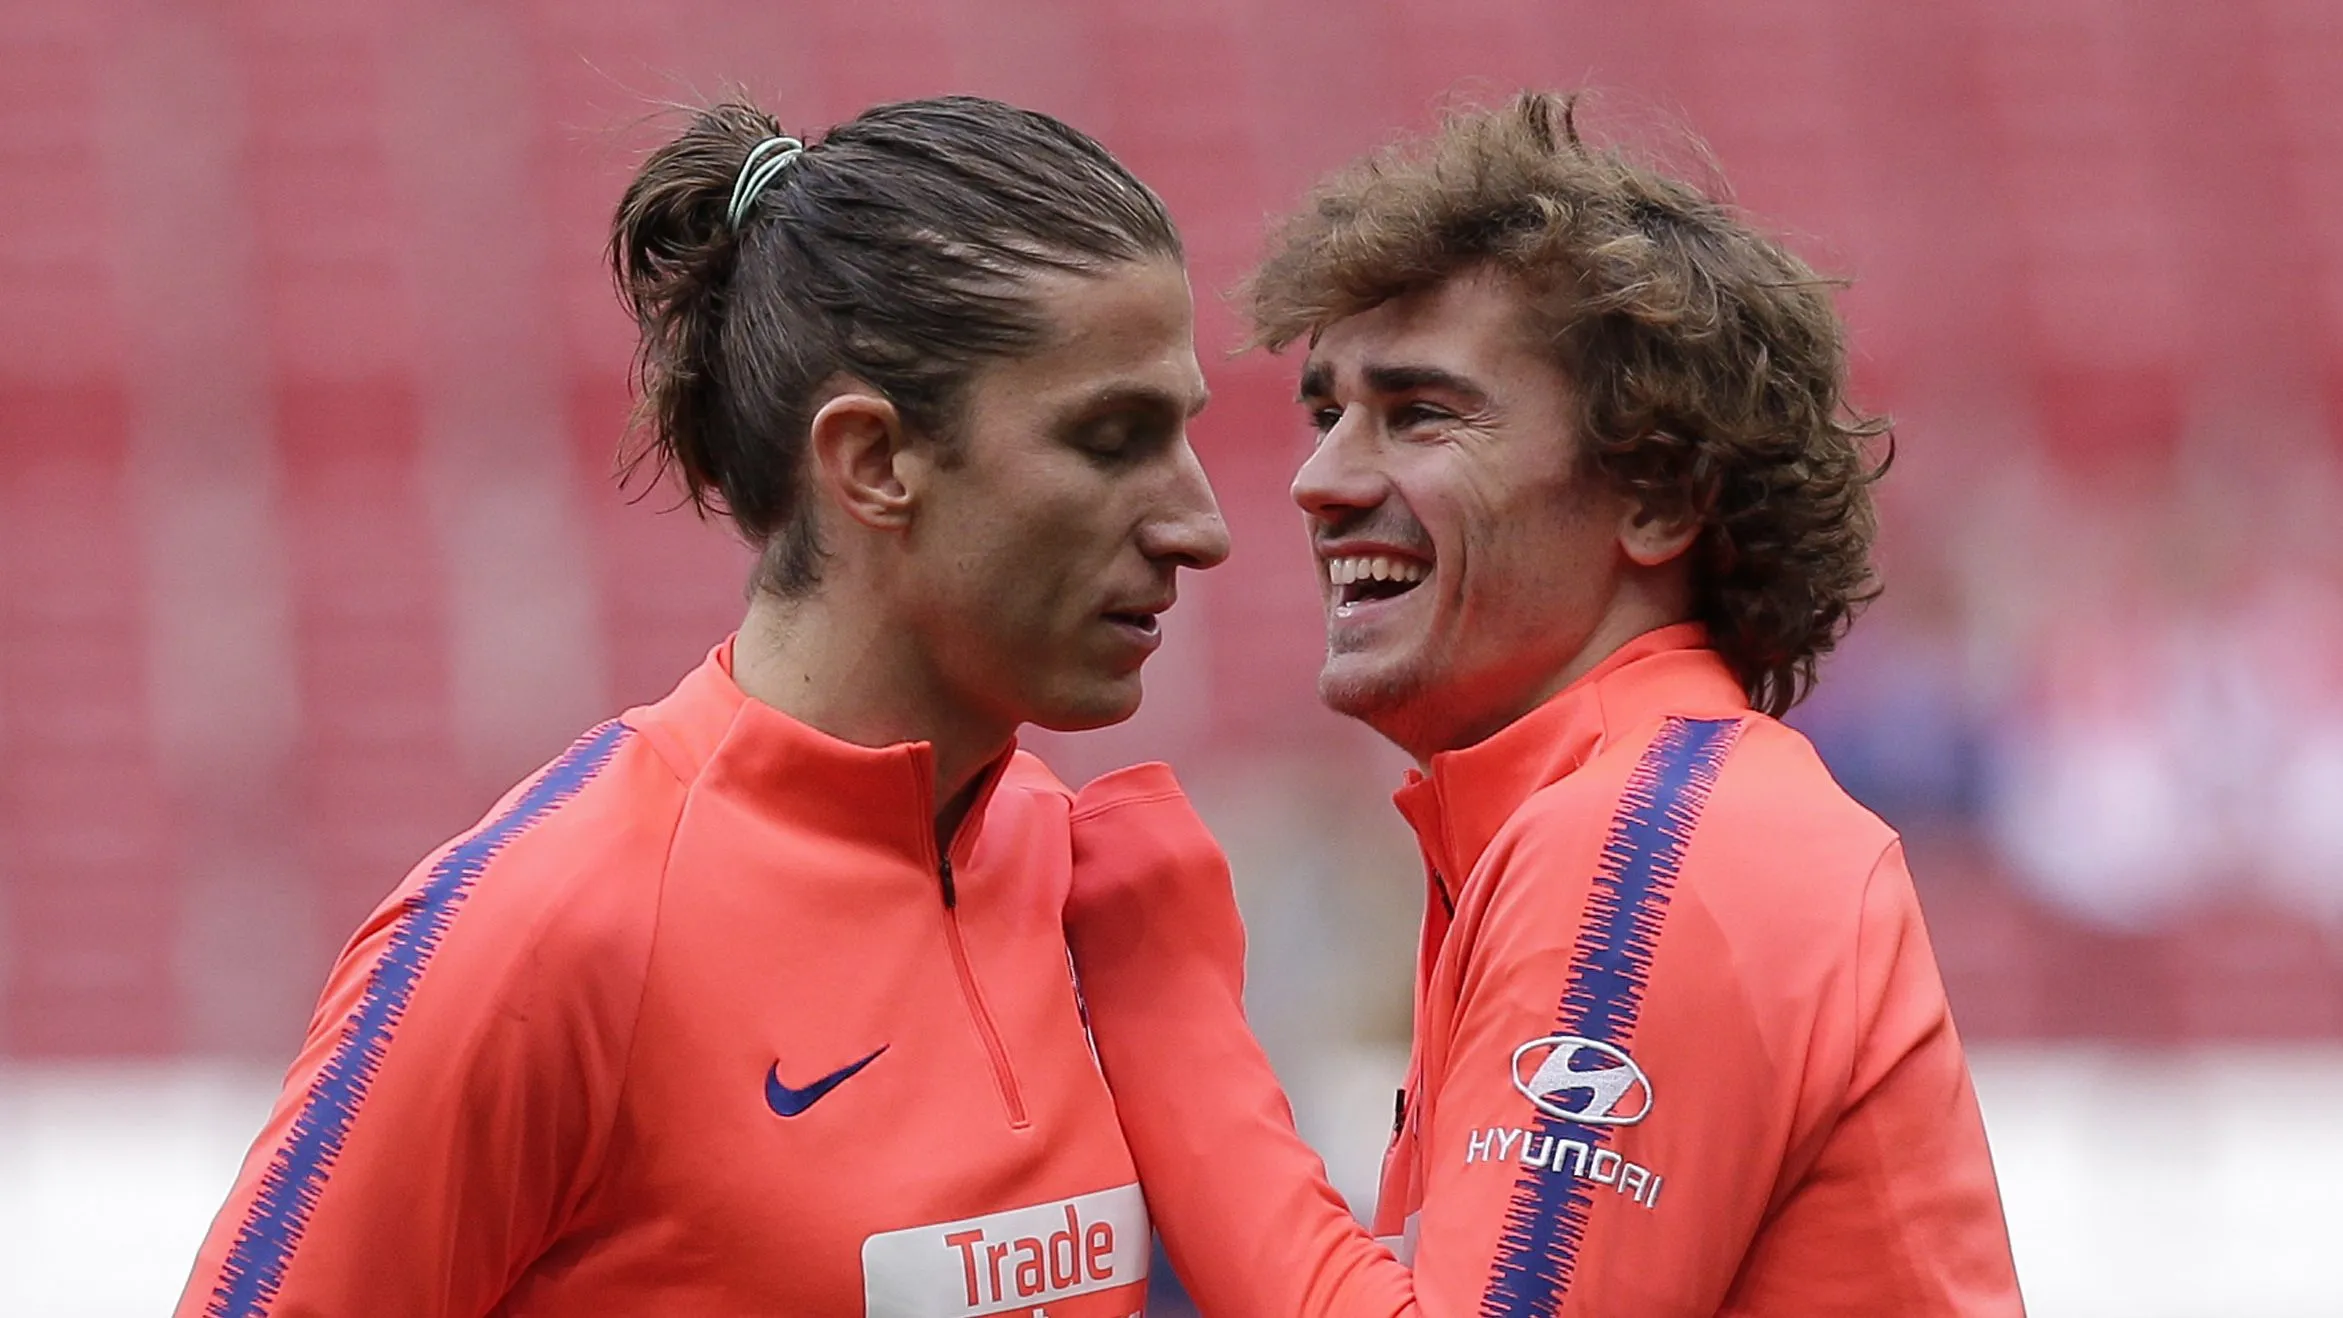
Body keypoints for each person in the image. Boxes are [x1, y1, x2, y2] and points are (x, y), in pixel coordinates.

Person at [177, 94, 1228, 1318]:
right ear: (875, 461)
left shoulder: (1077, 872)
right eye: (1113, 439)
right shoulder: (552, 928)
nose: (1197, 525)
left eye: (1184, 436)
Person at [1066, 93, 2024, 1316]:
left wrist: (1165, 1007)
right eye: (1326, 413)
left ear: (1660, 497)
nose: (1320, 479)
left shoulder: (1652, 844)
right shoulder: (1602, 818)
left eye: (1420, 413)